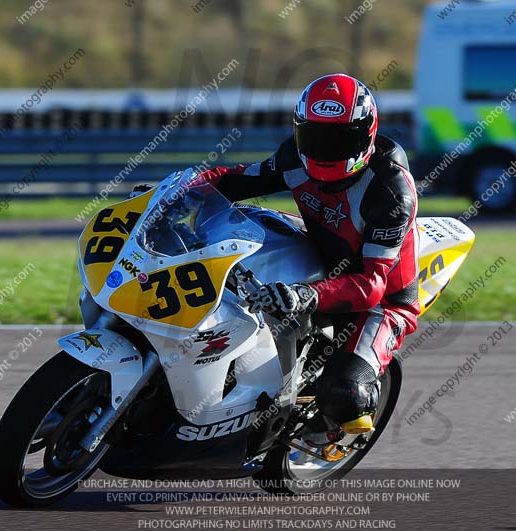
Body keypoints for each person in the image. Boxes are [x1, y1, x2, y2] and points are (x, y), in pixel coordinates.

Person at [163, 73, 419, 445]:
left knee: (346, 395)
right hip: (319, 256)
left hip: (380, 300)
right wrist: (178, 193)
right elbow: (237, 179)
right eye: (316, 138)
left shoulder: (390, 193)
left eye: (339, 140)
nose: (325, 151)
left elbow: (371, 284)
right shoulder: (293, 158)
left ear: (367, 135)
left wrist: (306, 295)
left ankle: (331, 429)